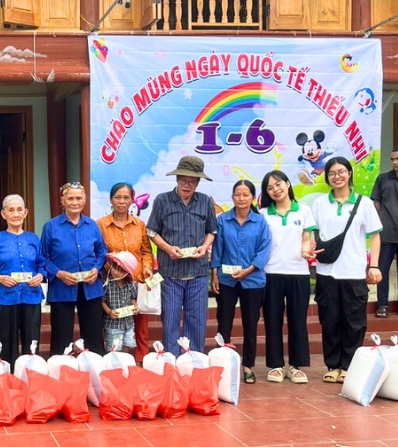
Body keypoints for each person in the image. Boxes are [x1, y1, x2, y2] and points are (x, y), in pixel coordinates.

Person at [311, 157, 382, 384]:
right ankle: (333, 365)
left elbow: (375, 235)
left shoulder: (364, 203)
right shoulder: (320, 203)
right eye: (332, 173)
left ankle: (349, 366)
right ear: (327, 177)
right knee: (329, 320)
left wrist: (374, 265)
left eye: (341, 172)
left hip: (353, 272)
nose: (337, 176)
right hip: (326, 272)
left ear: (349, 174)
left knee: (354, 322)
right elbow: (315, 235)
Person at [147, 156, 217, 356]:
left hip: (198, 271)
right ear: (176, 179)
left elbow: (212, 231)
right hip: (171, 272)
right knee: (170, 319)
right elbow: (152, 232)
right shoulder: (162, 200)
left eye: (192, 181)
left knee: (196, 319)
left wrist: (204, 247)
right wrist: (168, 249)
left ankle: (192, 359)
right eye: (183, 180)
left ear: (198, 182)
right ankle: (171, 360)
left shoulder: (205, 201)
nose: (187, 185)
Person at [211, 180, 271, 384]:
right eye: (238, 194)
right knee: (224, 322)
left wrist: (250, 269)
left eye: (246, 195)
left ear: (253, 198)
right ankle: (223, 363)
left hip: (253, 280)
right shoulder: (223, 220)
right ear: (232, 197)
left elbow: (264, 249)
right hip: (227, 280)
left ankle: (248, 366)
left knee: (250, 324)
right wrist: (214, 273)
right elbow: (217, 249)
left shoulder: (260, 222)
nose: (242, 198)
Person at [260, 170, 316, 384]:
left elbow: (306, 238)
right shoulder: (263, 214)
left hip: (298, 274)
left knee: (297, 321)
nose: (275, 189)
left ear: (288, 183)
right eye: (270, 187)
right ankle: (275, 365)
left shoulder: (304, 210)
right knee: (272, 321)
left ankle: (295, 366)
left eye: (278, 184)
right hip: (271, 273)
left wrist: (305, 252)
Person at [42, 181, 107, 356]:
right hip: (62, 287)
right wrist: (59, 273)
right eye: (70, 198)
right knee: (61, 336)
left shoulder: (92, 225)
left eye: (78, 198)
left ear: (85, 199)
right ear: (62, 200)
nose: (74, 202)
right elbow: (43, 257)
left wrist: (96, 270)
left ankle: (95, 368)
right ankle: (61, 369)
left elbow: (101, 252)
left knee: (94, 334)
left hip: (90, 286)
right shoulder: (51, 227)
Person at [0, 194, 45, 368]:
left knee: (31, 339)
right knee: (5, 339)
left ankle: (30, 375)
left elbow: (42, 264)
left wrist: (40, 276)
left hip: (31, 296)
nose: (15, 214)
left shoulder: (33, 239)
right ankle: (7, 377)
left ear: (25, 213)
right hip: (5, 297)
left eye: (19, 210)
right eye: (11, 210)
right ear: (3, 214)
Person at [96, 182, 155, 363]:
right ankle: (114, 359)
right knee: (112, 323)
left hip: (136, 280)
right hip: (111, 283)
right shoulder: (101, 225)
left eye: (126, 198)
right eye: (118, 197)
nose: (122, 201)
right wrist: (109, 268)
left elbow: (146, 251)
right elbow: (97, 252)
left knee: (140, 324)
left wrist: (147, 267)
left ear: (132, 201)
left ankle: (140, 360)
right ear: (111, 200)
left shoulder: (139, 224)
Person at [370, 148, 398, 318]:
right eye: (392, 159)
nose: (395, 162)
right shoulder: (382, 179)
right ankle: (382, 305)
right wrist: (384, 220)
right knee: (383, 271)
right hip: (387, 234)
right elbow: (376, 203)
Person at [102, 252, 139, 353]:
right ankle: (114, 366)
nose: (116, 272)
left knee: (127, 345)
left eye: (121, 271)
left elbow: (132, 298)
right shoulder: (107, 285)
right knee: (114, 348)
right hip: (113, 325)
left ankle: (125, 364)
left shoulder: (131, 285)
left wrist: (135, 306)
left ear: (127, 273)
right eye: (114, 268)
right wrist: (109, 311)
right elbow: (102, 301)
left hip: (128, 323)